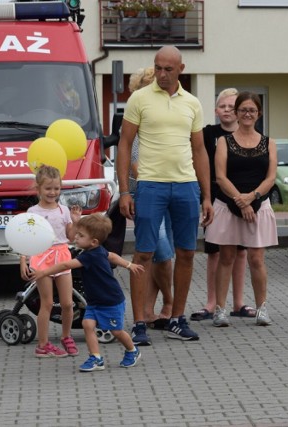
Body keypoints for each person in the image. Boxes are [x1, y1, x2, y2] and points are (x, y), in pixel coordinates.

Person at [116, 45, 214, 344]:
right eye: (157, 67)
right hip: (150, 185)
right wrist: (124, 191)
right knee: (144, 254)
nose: (161, 73)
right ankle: (139, 324)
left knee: (185, 252)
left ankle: (177, 318)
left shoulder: (192, 103)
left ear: (181, 69)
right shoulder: (139, 98)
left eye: (168, 69)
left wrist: (207, 196)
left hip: (186, 185)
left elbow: (199, 149)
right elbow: (124, 144)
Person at [30, 214, 145, 371]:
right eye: (77, 234)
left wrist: (43, 272)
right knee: (87, 324)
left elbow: (65, 266)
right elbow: (112, 256)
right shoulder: (98, 250)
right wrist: (128, 264)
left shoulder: (90, 256)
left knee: (116, 331)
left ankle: (132, 350)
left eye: (80, 235)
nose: (75, 237)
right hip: (95, 301)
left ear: (94, 242)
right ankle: (96, 358)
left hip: (110, 301)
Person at [204, 91, 278, 327]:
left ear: (259, 113)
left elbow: (271, 178)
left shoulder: (270, 143)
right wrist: (240, 200)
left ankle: (262, 308)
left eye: (252, 110)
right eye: (243, 110)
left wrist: (252, 197)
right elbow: (220, 177)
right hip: (228, 205)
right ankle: (219, 309)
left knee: (256, 258)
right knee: (226, 257)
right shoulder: (224, 142)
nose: (247, 114)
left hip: (258, 204)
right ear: (236, 113)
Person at [190, 88, 255, 322]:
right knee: (215, 252)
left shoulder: (248, 134)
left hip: (242, 199)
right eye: (223, 106)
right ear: (216, 110)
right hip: (216, 199)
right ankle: (212, 303)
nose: (227, 110)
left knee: (240, 251)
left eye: (231, 106)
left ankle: (238, 302)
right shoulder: (208, 134)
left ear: (238, 111)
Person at [127, 67, 174, 331]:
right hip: (147, 193)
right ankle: (169, 301)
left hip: (171, 190)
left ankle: (148, 310)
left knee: (159, 254)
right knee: (161, 252)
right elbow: (135, 163)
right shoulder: (138, 122)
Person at [19, 165, 81, 358]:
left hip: (62, 256)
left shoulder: (63, 210)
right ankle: (43, 344)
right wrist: (23, 261)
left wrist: (76, 220)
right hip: (41, 257)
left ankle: (66, 336)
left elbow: (70, 237)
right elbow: (26, 237)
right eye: (48, 188)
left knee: (68, 303)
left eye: (56, 188)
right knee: (46, 303)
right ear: (38, 189)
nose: (52, 192)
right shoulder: (33, 212)